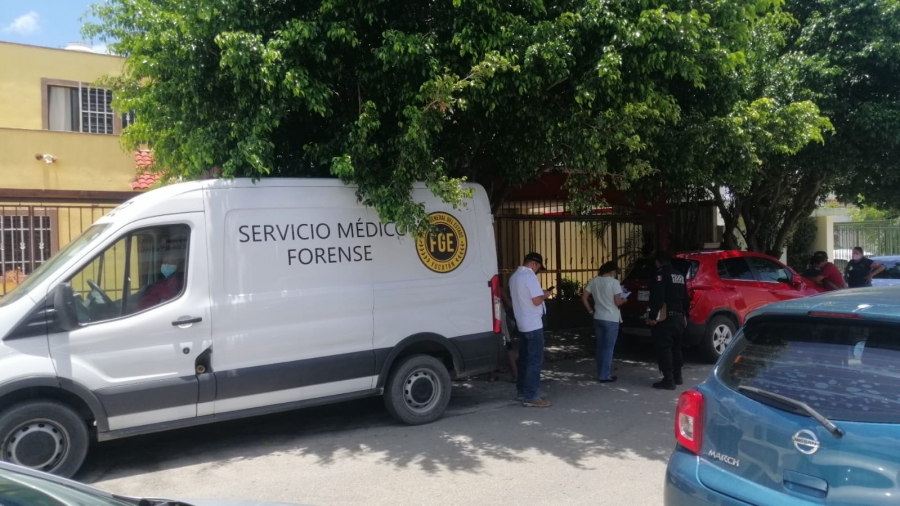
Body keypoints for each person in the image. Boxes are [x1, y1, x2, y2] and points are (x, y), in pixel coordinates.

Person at [509, 252, 553, 407]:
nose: (538, 270)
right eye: (538, 267)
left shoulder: (514, 277)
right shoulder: (529, 276)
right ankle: (531, 396)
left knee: (525, 359)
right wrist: (546, 294)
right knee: (534, 361)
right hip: (533, 324)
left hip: (522, 323)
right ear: (534, 264)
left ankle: (522, 392)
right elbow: (536, 301)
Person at [647, 251, 690, 390]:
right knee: (676, 347)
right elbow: (685, 298)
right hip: (679, 317)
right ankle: (678, 376)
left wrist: (652, 316)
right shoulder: (679, 275)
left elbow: (658, 298)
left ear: (657, 262)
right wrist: (685, 314)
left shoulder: (661, 275)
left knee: (664, 348)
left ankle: (668, 380)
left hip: (666, 318)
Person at [582, 261, 628, 383]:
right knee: (608, 348)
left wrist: (591, 311)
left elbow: (584, 297)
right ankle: (605, 375)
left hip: (598, 316)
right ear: (612, 271)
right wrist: (624, 300)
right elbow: (618, 302)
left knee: (600, 347)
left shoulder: (594, 281)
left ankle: (601, 373)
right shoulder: (614, 282)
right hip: (611, 318)